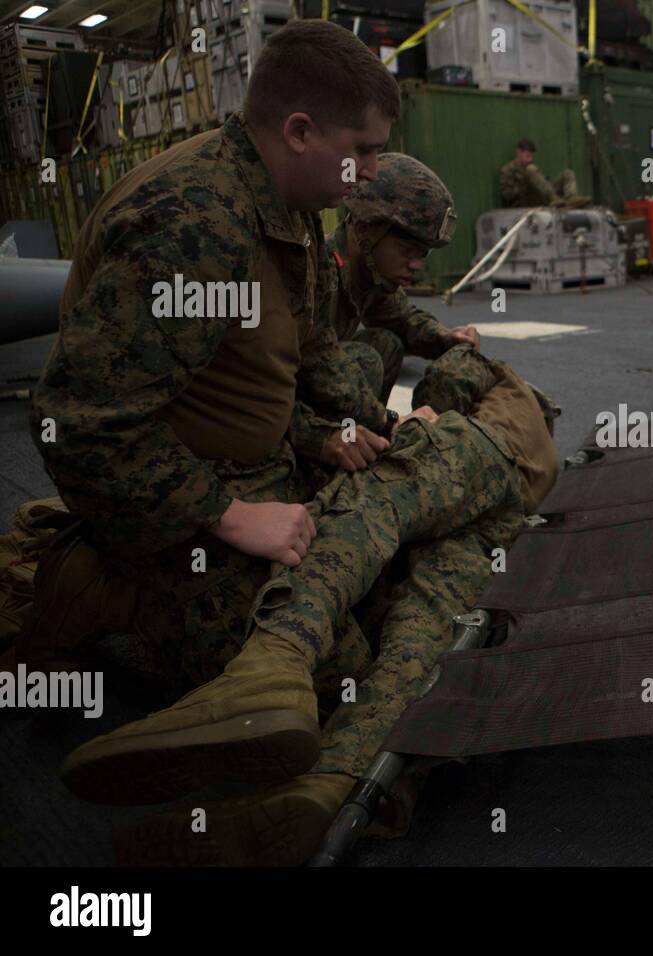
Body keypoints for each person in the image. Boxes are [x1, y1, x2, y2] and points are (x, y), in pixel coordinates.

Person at [13, 20, 401, 694]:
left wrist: (386, 428)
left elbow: (310, 350)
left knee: (388, 579)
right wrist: (228, 514)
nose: (371, 174)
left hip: (258, 462)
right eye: (362, 152)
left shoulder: (292, 198)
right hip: (186, 491)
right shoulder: (194, 226)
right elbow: (77, 424)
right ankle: (96, 578)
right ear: (300, 132)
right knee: (328, 679)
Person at [68, 345, 560, 866]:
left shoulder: (502, 382)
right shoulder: (544, 460)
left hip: (472, 451)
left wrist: (421, 410)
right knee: (432, 627)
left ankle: (276, 659)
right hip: (502, 525)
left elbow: (448, 382)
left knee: (366, 509)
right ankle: (339, 781)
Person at [308, 152, 480, 476]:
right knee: (367, 357)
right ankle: (327, 464)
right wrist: (389, 420)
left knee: (386, 342)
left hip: (319, 398)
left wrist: (445, 336)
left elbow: (402, 319)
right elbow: (310, 371)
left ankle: (365, 444)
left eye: (422, 254)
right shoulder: (320, 271)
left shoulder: (370, 276)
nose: (417, 265)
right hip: (286, 417)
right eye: (406, 251)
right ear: (364, 230)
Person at [499, 137, 588, 208]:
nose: (530, 159)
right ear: (519, 152)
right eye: (527, 156)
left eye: (531, 156)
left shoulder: (532, 167)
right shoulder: (508, 169)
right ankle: (552, 197)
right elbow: (507, 194)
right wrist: (525, 185)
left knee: (567, 173)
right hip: (524, 201)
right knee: (531, 169)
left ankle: (571, 198)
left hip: (541, 196)